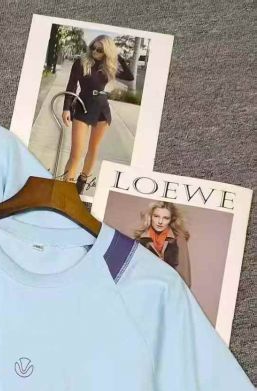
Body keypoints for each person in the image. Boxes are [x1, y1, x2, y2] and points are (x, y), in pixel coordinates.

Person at [60, 35, 134, 193]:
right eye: (93, 47)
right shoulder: (81, 62)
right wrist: (66, 108)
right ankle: (65, 189)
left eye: (100, 49)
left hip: (102, 109)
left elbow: (129, 76)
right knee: (76, 153)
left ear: (107, 51)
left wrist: (117, 56)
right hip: (83, 107)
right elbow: (71, 86)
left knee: (93, 148)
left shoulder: (109, 66)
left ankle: (82, 182)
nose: (94, 51)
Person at [134, 201, 192, 287]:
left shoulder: (179, 239)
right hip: (146, 289)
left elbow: (184, 275)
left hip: (170, 290)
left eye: (166, 218)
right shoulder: (140, 240)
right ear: (150, 217)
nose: (160, 222)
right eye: (156, 216)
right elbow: (135, 272)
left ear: (171, 219)